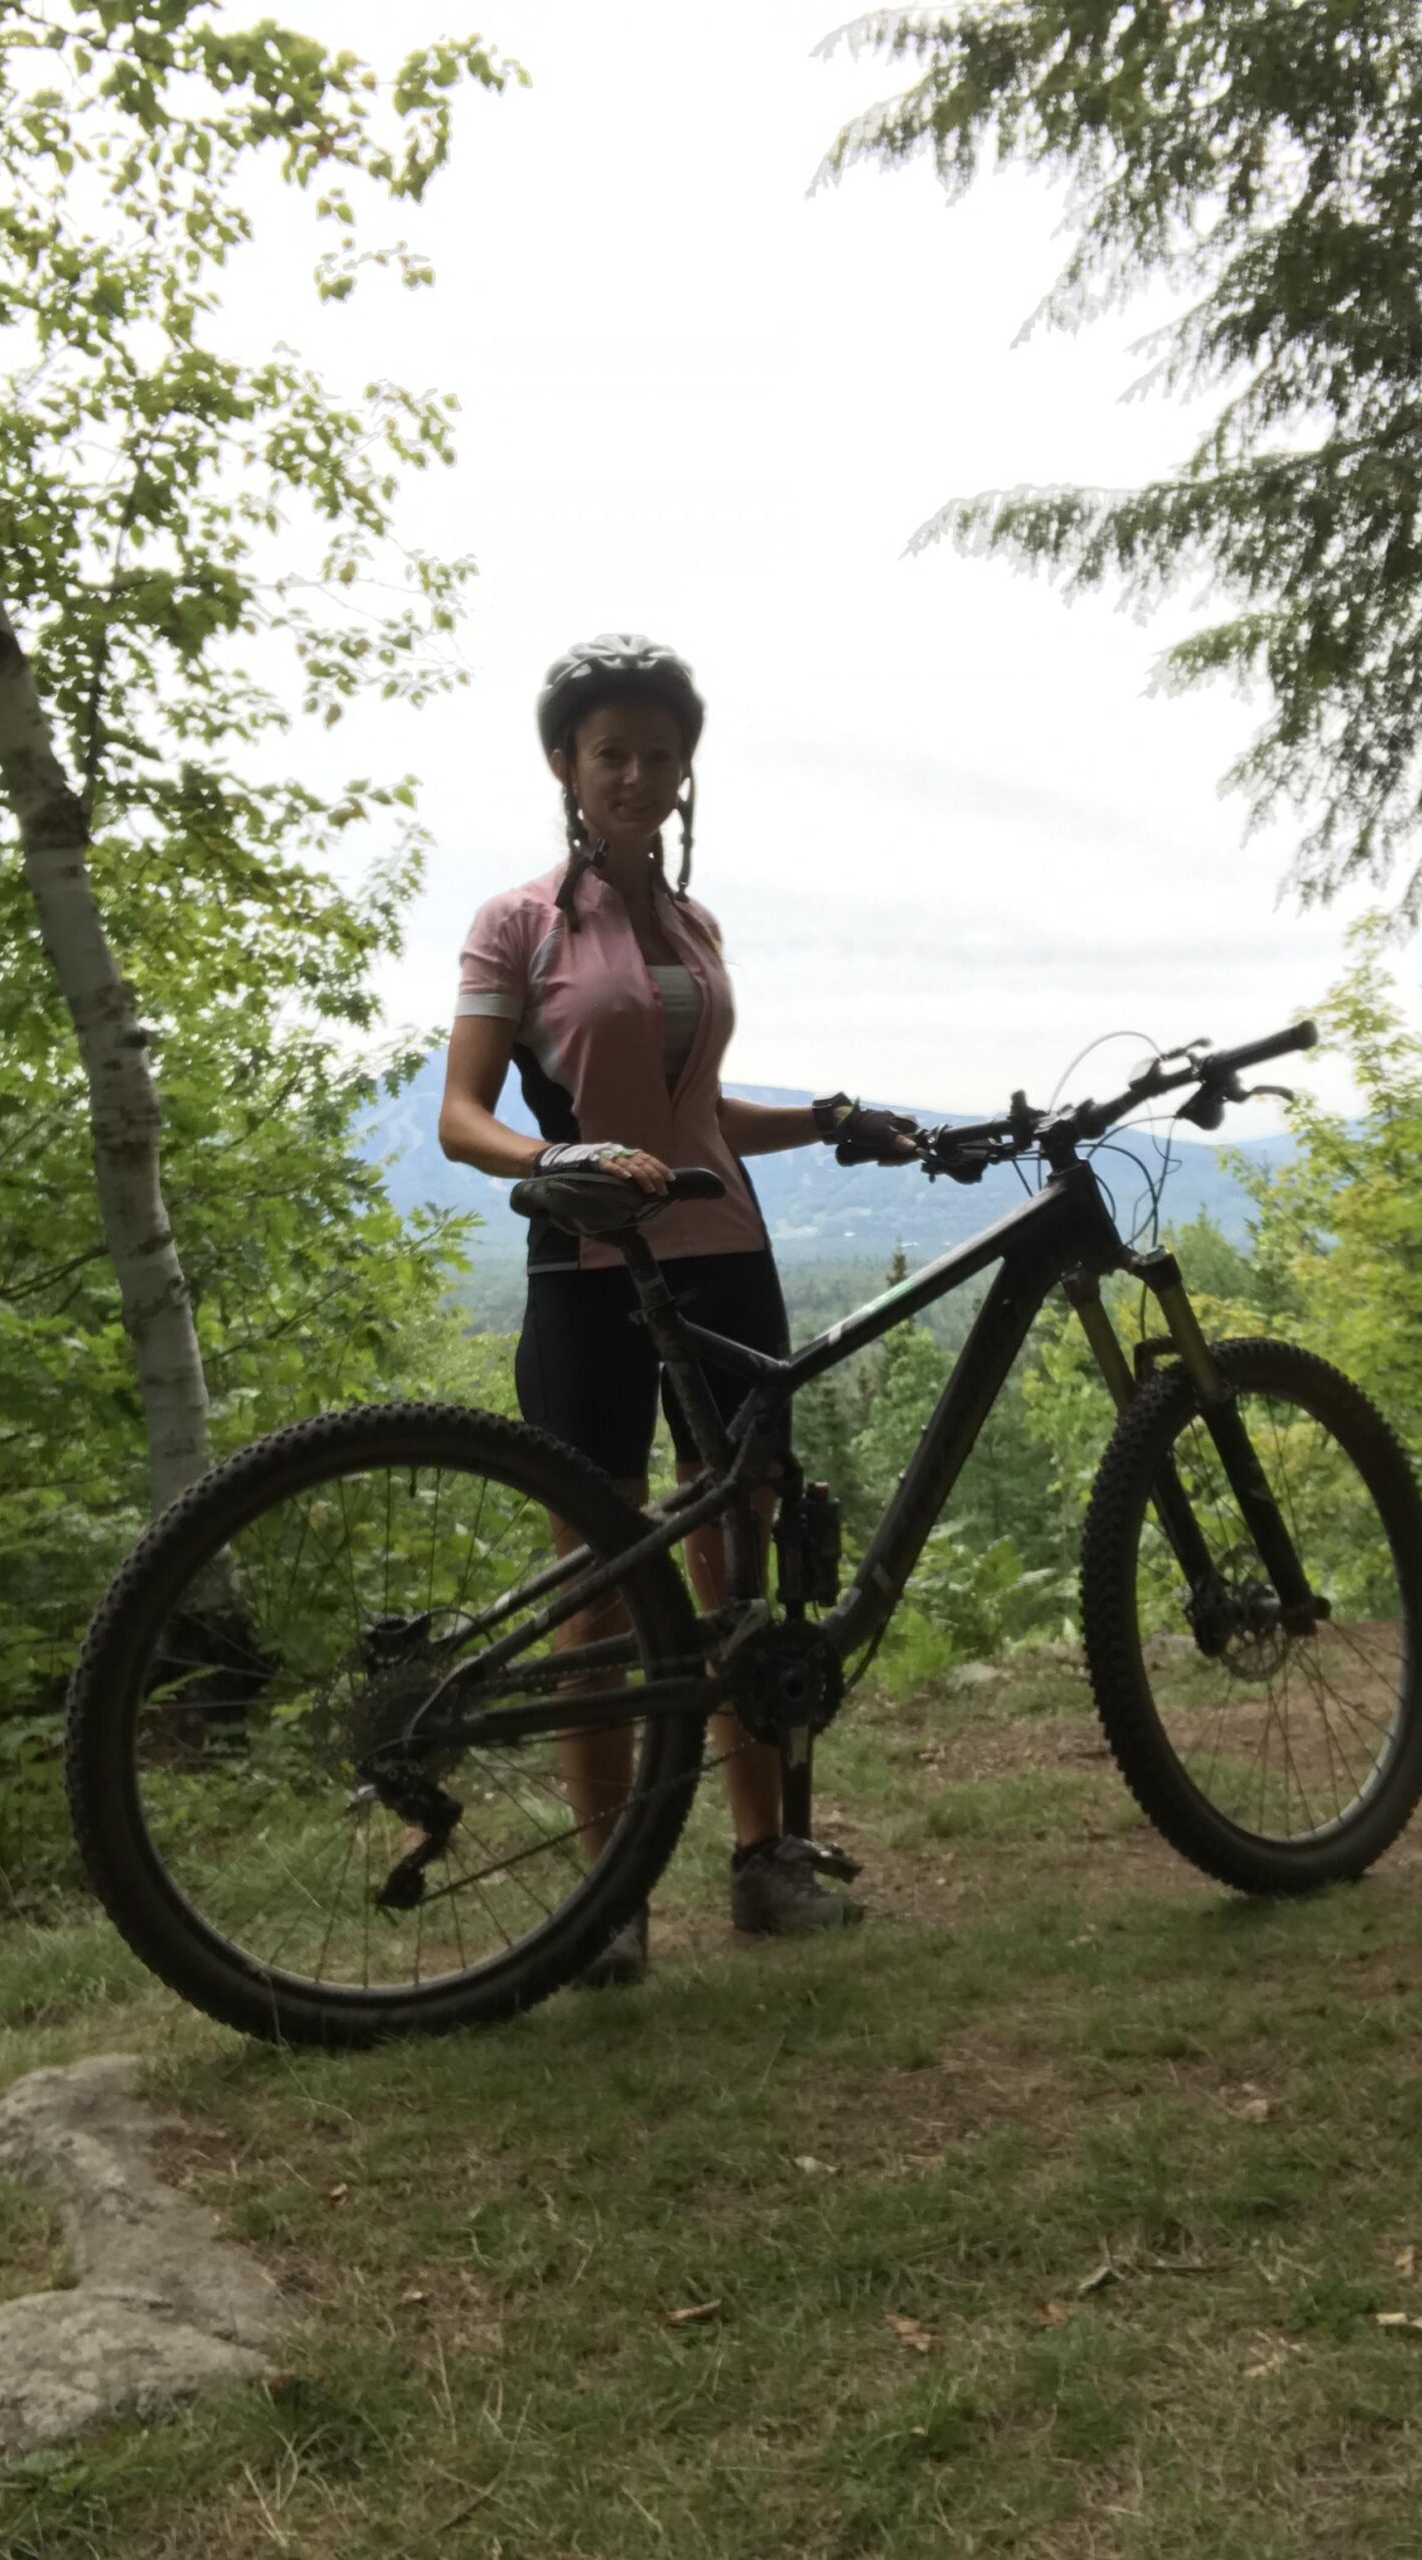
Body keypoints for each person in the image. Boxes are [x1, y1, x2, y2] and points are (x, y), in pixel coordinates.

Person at [438, 634, 915, 1987]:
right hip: (588, 1270)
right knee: (599, 1585)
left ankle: (764, 1864)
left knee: (743, 1562)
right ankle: (608, 1896)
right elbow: (464, 1117)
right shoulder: (518, 923)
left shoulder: (695, 929)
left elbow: (698, 1115)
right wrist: (558, 1161)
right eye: (611, 754)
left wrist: (823, 1120)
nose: (638, 775)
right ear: (566, 769)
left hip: (722, 1259)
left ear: (684, 768)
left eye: (660, 753)